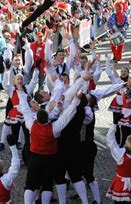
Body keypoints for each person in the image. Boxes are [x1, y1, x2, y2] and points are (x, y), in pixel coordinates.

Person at [19, 76, 84, 204]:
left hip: (34, 158)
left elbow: (25, 110)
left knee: (31, 184)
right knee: (47, 185)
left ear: (37, 117)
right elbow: (66, 116)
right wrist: (75, 100)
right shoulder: (54, 128)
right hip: (49, 159)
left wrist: (21, 92)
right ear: (47, 118)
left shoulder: (32, 125)